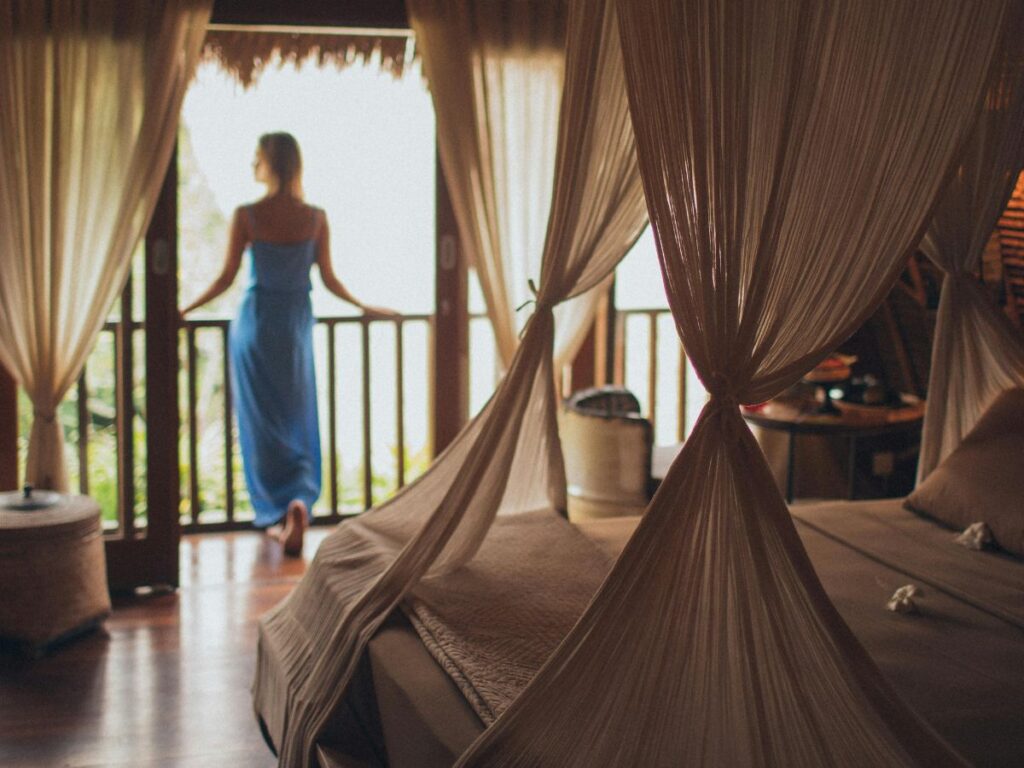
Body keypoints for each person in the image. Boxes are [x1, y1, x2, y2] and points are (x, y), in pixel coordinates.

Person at [180, 132, 395, 555]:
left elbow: (225, 279)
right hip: (295, 327)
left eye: (256, 157)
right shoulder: (314, 217)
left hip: (256, 325)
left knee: (262, 424)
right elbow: (330, 281)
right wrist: (365, 307)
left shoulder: (248, 215)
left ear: (271, 163)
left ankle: (279, 513)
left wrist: (184, 310)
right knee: (298, 418)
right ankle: (298, 502)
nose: (251, 165)